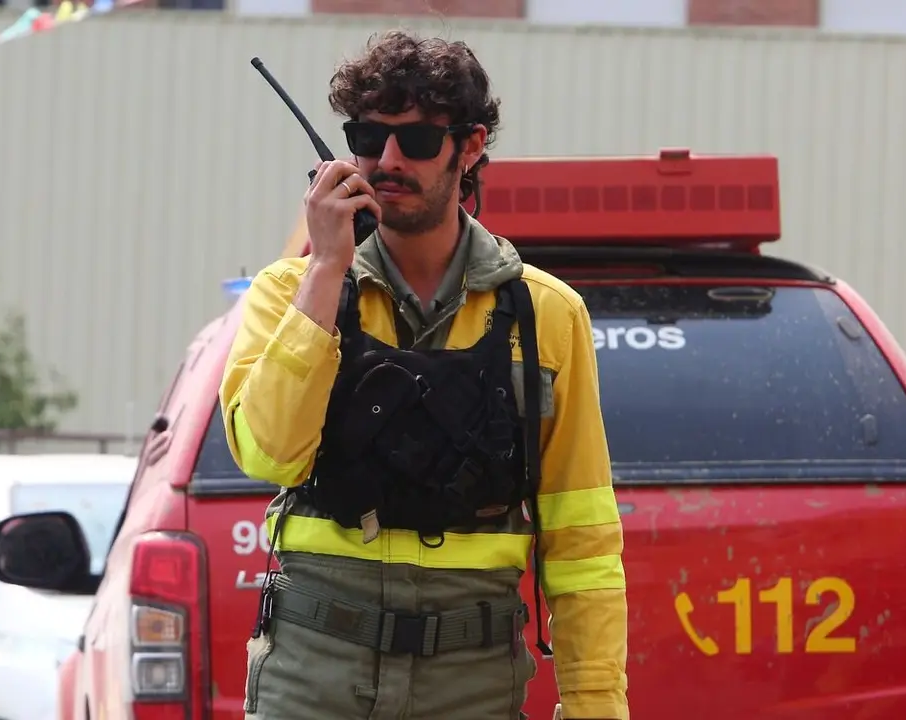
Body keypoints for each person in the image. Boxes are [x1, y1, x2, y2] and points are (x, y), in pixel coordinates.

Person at [220, 29, 628, 720]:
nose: (385, 160)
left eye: (415, 141)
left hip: (471, 684)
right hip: (314, 678)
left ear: (469, 149)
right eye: (366, 135)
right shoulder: (289, 292)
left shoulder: (548, 316)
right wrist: (325, 270)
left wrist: (595, 705)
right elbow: (267, 453)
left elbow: (581, 537)